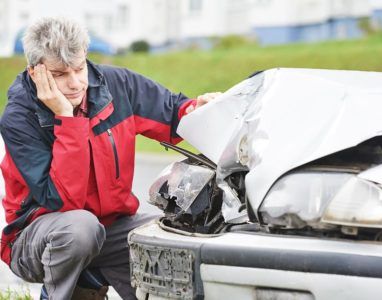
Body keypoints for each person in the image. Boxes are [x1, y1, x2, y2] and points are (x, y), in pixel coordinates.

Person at [0, 17, 220, 299]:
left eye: (79, 69)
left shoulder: (118, 85)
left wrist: (198, 109)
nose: (75, 83)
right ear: (35, 73)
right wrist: (66, 118)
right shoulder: (19, 118)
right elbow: (62, 201)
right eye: (59, 74)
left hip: (109, 230)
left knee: (171, 237)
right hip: (37, 239)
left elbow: (173, 113)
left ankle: (92, 278)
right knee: (81, 228)